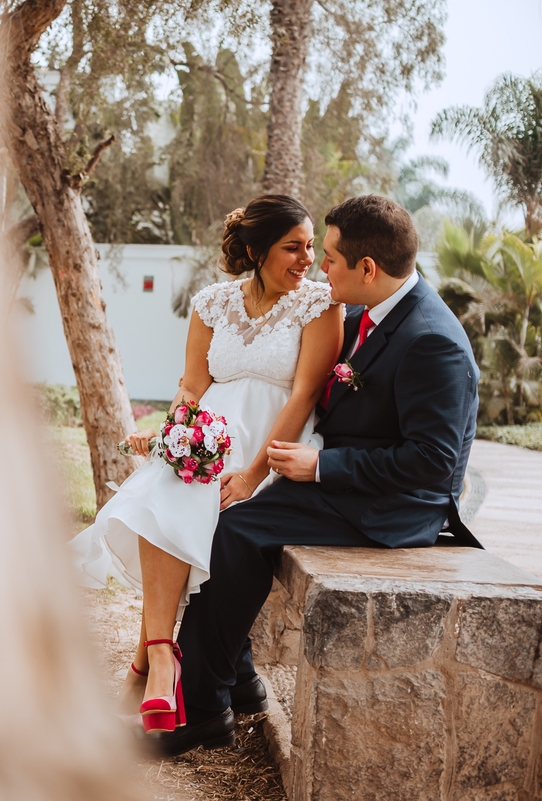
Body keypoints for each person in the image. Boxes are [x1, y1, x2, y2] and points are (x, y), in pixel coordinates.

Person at [149, 194, 482, 756]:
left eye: (328, 257)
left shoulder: (432, 340)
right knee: (227, 510)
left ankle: (202, 709)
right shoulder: (368, 312)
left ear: (367, 268)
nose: (319, 268)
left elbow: (433, 463)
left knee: (238, 529)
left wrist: (321, 465)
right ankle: (239, 678)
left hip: (394, 506)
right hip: (345, 478)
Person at [68, 195, 344, 734]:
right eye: (294, 247)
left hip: (270, 440)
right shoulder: (213, 302)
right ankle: (160, 656)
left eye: (311, 246)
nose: (308, 258)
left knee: (179, 500)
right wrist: (174, 434)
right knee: (162, 494)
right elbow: (193, 385)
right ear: (257, 251)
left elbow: (305, 394)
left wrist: (254, 474)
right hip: (208, 434)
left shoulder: (319, 304)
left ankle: (147, 666)